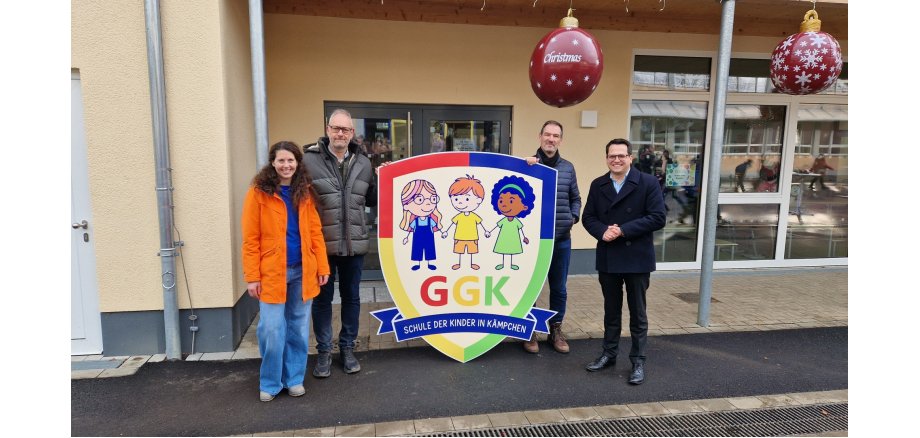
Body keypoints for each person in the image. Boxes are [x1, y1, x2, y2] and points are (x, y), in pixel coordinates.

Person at [242, 141, 330, 402]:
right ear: (273, 163)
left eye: (291, 160)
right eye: (281, 160)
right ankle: (270, 382)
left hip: (303, 271)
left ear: (297, 163)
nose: (286, 165)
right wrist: (252, 277)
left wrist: (322, 266)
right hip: (272, 273)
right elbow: (250, 238)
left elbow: (315, 232)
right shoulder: (258, 192)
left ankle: (294, 379)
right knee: (271, 329)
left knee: (298, 329)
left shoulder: (304, 191)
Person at [582, 138, 666, 385]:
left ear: (630, 157)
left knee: (638, 313)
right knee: (611, 310)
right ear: (606, 158)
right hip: (609, 256)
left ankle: (638, 360)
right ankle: (609, 354)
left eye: (621, 155)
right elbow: (588, 217)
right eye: (611, 156)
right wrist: (602, 231)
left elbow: (658, 217)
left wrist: (623, 230)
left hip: (637, 257)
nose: (616, 160)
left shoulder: (647, 182)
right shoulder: (598, 184)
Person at [303, 109, 377, 377]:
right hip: (321, 245)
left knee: (352, 298)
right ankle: (324, 351)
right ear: (327, 129)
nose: (340, 134)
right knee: (321, 300)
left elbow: (372, 199)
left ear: (352, 133)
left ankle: (347, 347)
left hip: (354, 245)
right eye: (336, 128)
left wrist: (386, 177)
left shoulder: (364, 163)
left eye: (345, 130)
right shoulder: (307, 161)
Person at [523, 120, 582, 354]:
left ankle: (555, 330)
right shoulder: (527, 165)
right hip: (533, 242)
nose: (551, 139)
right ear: (540, 137)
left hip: (560, 240)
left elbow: (576, 198)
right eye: (547, 134)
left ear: (560, 140)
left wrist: (573, 217)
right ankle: (530, 330)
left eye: (555, 136)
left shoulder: (568, 168)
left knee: (559, 288)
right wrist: (525, 168)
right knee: (530, 288)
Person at [441, 175, 490, 270]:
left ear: (479, 200)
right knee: (459, 251)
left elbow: (480, 224)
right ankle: (459, 264)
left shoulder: (474, 216)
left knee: (472, 251)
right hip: (459, 237)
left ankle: (471, 264)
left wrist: (486, 231)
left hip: (472, 237)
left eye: (467, 199)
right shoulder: (459, 216)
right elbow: (452, 224)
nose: (460, 202)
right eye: (456, 199)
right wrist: (446, 231)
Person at [399, 179, 443, 271]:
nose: (428, 203)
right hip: (417, 237)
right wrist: (406, 237)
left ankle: (429, 263)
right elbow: (411, 229)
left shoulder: (430, 220)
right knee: (417, 249)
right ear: (406, 205)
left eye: (433, 199)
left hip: (428, 237)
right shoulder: (415, 221)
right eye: (419, 199)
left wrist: (442, 232)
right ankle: (417, 264)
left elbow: (436, 226)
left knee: (429, 249)